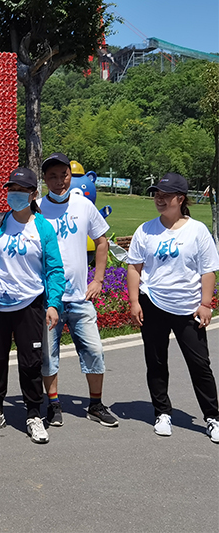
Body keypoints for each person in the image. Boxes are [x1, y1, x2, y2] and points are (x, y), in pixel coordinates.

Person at [126, 173, 219, 443]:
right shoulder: (146, 230)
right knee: (156, 361)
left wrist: (205, 303)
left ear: (180, 199)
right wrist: (134, 301)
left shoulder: (197, 230)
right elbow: (134, 267)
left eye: (166, 195)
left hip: (188, 307)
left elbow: (208, 271)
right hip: (153, 302)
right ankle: (162, 413)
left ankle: (213, 417)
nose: (160, 199)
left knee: (199, 363)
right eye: (157, 194)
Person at [0, 167, 65, 443]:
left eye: (21, 190)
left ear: (33, 194)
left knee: (30, 362)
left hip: (29, 305)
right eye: (11, 189)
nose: (14, 194)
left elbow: (55, 270)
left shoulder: (43, 228)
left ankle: (34, 414)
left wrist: (53, 304)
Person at [38, 153, 118, 428]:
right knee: (48, 356)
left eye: (64, 175)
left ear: (70, 176)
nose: (59, 181)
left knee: (94, 350)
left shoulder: (84, 205)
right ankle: (54, 405)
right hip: (50, 299)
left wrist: (98, 280)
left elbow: (102, 241)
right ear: (44, 179)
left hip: (80, 297)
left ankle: (95, 404)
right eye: (52, 176)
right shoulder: (37, 209)